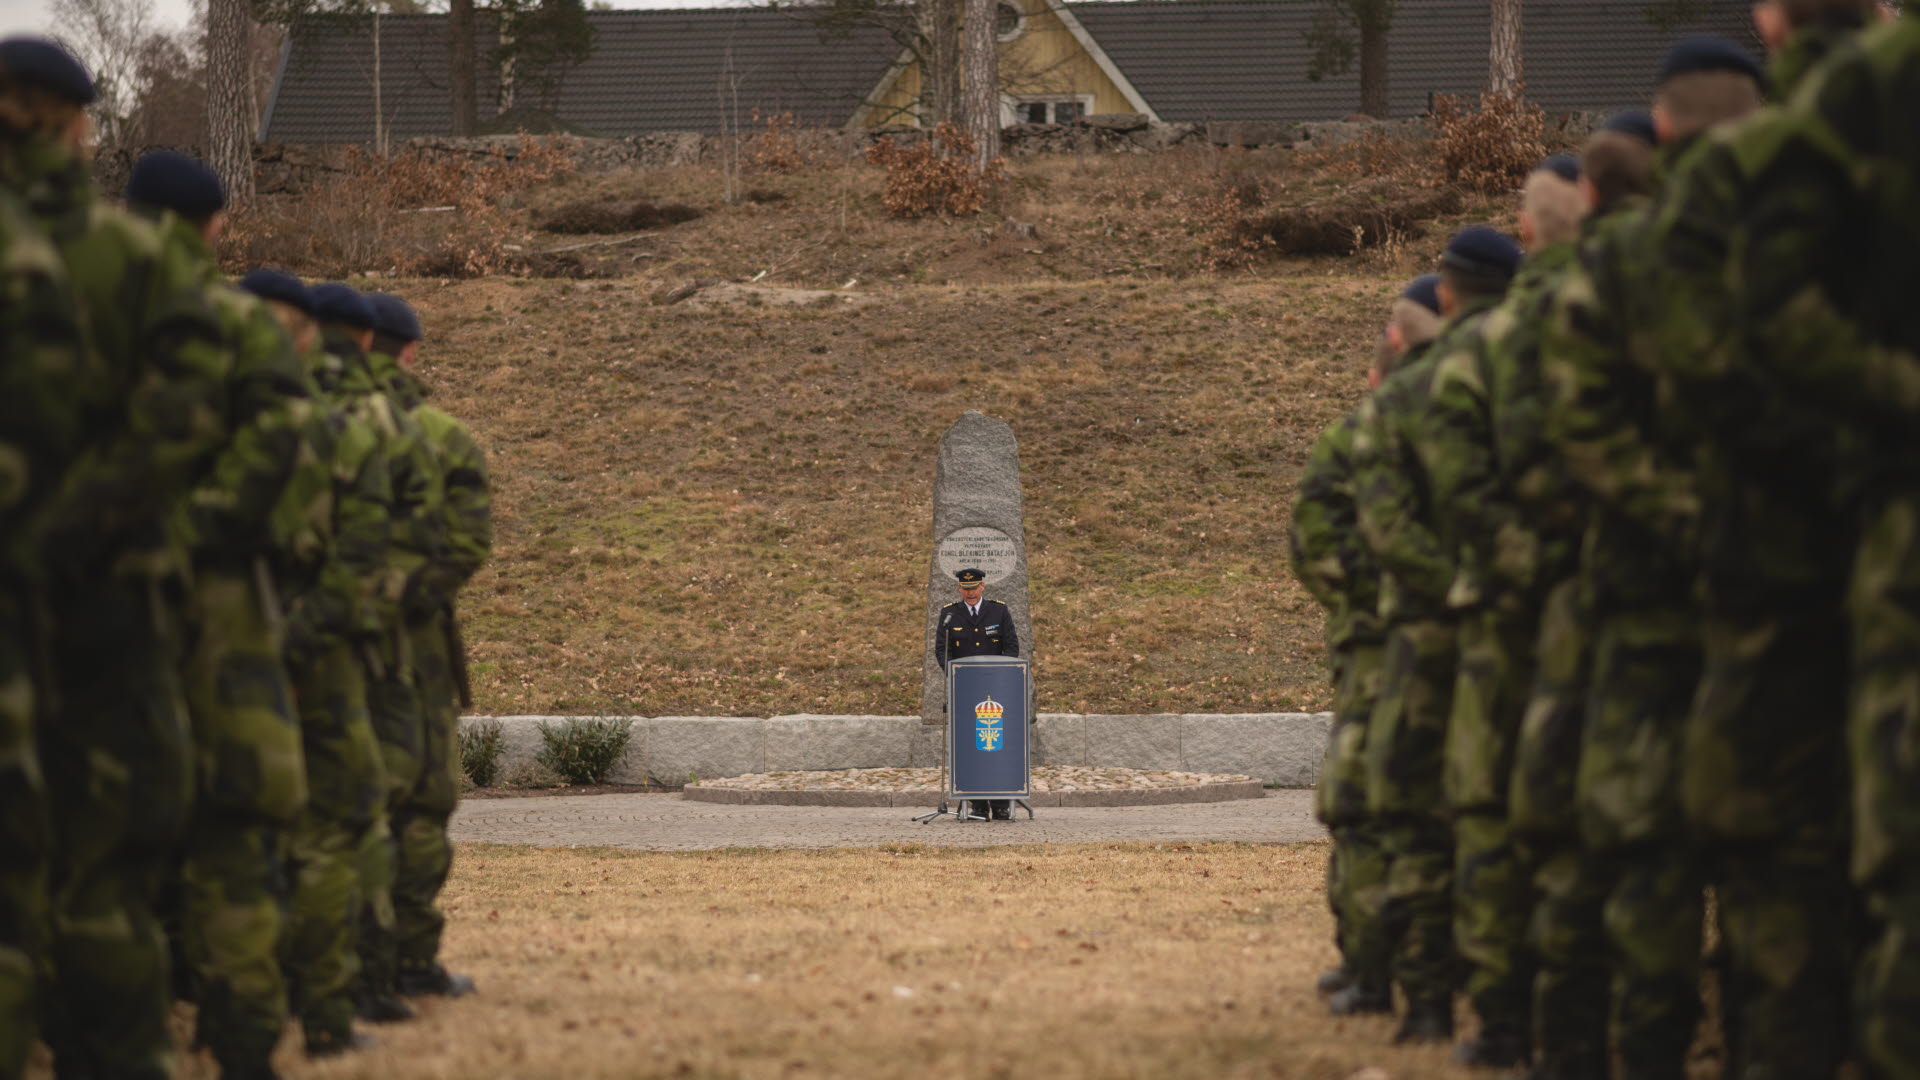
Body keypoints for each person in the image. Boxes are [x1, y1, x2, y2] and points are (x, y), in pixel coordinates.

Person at [2, 35, 235, 1080]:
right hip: (102, 610)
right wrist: (75, 533)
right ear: (71, 122)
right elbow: (189, 419)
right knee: (105, 877)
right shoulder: (132, 264)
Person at [123, 149, 319, 1080]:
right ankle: (238, 1036)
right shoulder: (237, 325)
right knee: (239, 816)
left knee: (93, 821)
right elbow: (282, 438)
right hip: (217, 606)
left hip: (79, 597)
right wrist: (201, 531)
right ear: (212, 227)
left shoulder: (58, 295)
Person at [1416, 155, 1591, 1070]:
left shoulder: (1478, 360)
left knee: (1490, 810)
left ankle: (1517, 1017)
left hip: (1506, 616)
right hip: (1614, 598)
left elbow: (1459, 501)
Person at [1353, 225, 1522, 1045]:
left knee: (1428, 813)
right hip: (1525, 620)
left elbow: (1383, 526)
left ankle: (1435, 1000)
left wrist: (1450, 592)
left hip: (1436, 633)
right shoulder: (1543, 359)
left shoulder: (1413, 397)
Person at [247, 270, 390, 1059]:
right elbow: (367, 554)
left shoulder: (197, 411)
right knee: (336, 823)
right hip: (314, 653)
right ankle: (327, 1011)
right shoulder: (341, 431)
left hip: (209, 648)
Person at [1291, 274, 1441, 1018]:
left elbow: (1316, 537)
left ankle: (1390, 971)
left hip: (1395, 650)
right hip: (1483, 632)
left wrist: (1373, 606)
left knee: (1380, 802)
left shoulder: (1381, 423)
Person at [362, 291, 491, 999]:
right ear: (408, 349)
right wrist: (403, 598)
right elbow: (468, 542)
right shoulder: (439, 437)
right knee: (419, 799)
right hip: (412, 652)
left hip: (307, 637)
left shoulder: (304, 421)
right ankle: (403, 960)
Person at [935, 568, 1019, 820]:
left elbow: (1011, 647)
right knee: (970, 744)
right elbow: (942, 651)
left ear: (983, 586)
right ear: (959, 589)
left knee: (997, 744)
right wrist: (956, 677)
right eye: (965, 588)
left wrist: (999, 676)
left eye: (974, 588)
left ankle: (1001, 803)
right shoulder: (949, 614)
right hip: (966, 691)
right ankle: (978, 803)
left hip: (997, 691)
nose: (970, 593)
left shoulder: (999, 611)